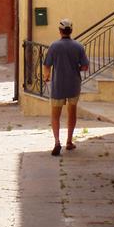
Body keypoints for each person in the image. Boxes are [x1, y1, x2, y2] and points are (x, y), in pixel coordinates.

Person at [43, 18, 89, 156]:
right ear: (71, 31)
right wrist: (76, 68)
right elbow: (85, 66)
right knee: (72, 112)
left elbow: (47, 65)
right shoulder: (79, 46)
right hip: (74, 84)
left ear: (60, 31)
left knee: (55, 115)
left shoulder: (54, 46)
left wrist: (47, 77)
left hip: (58, 85)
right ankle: (69, 141)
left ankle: (57, 142)